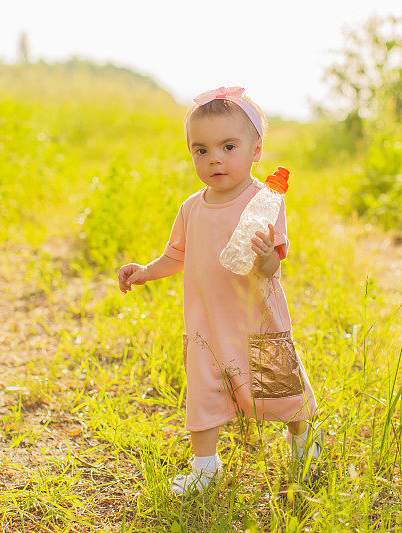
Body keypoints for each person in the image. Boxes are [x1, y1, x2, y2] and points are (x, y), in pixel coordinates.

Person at [116, 86, 322, 496]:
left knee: (281, 388)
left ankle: (303, 443)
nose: (215, 159)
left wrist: (266, 257)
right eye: (201, 150)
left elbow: (271, 265)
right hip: (207, 324)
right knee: (204, 391)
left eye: (228, 146)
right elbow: (177, 256)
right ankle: (204, 466)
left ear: (256, 151)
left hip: (257, 320)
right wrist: (145, 272)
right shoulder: (192, 207)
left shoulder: (263, 200)